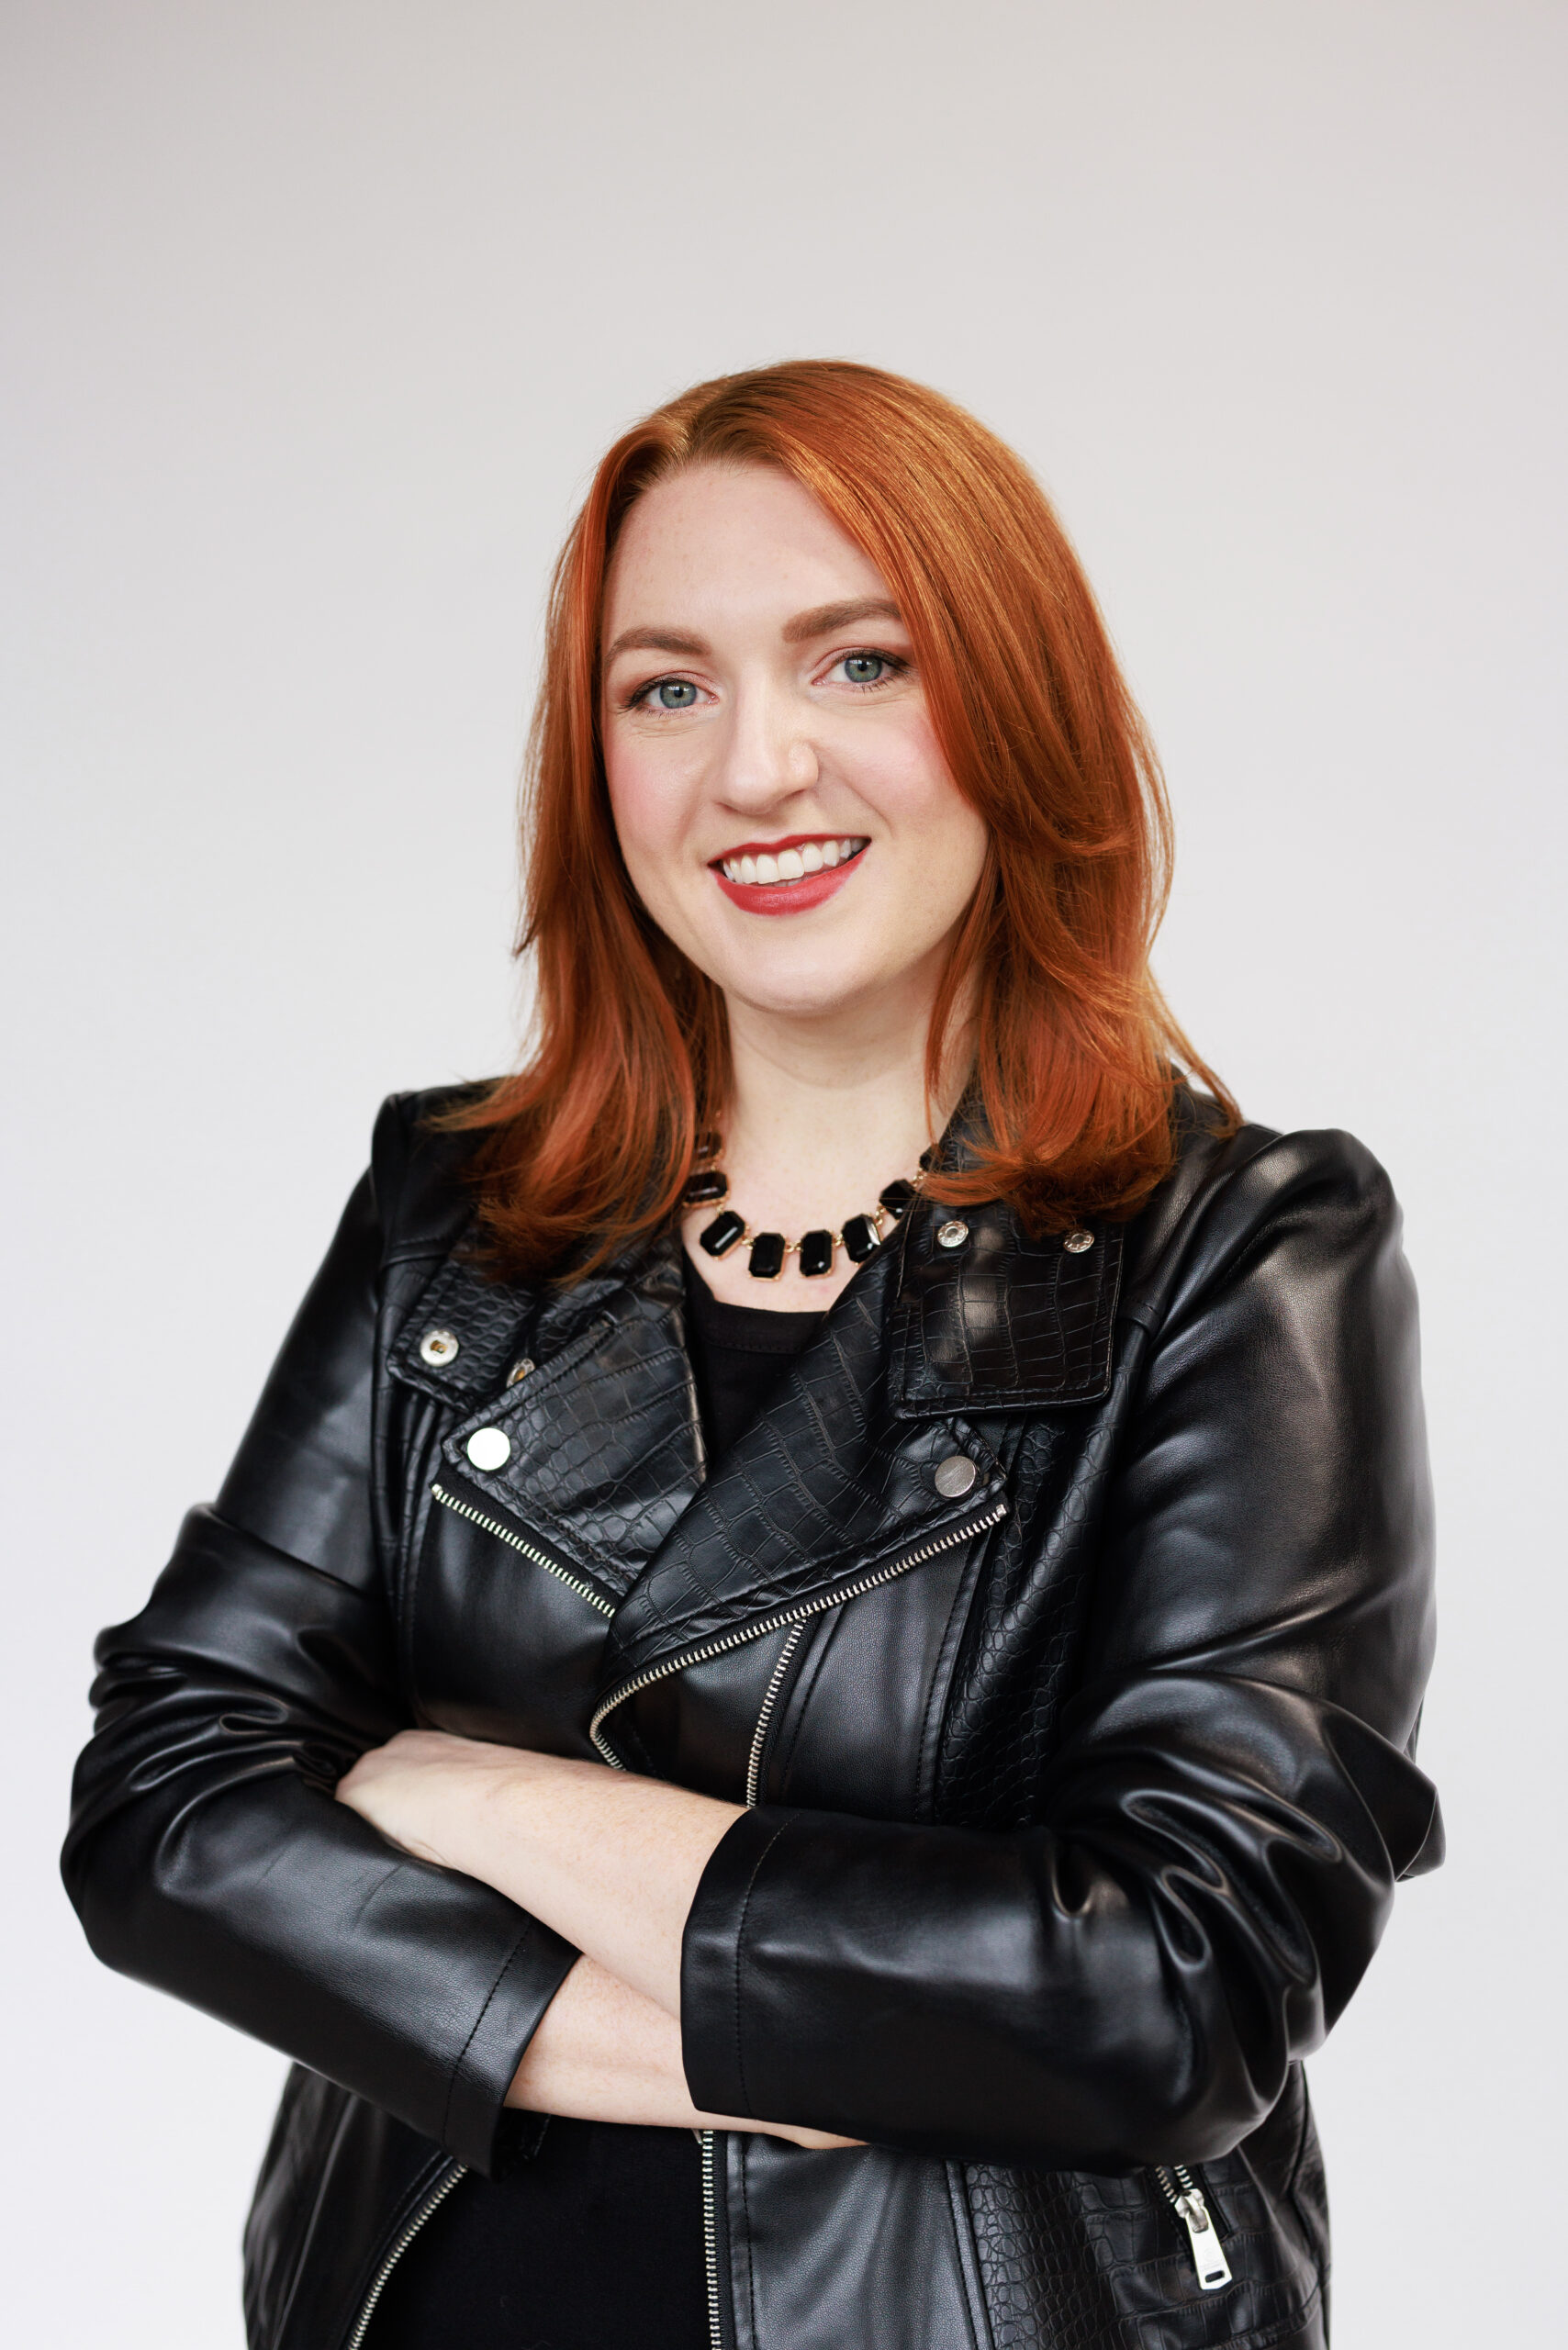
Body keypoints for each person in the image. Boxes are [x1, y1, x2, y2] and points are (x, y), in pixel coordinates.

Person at [62, 360, 1440, 2350]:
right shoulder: (451, 1209)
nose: (757, 766)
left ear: (1013, 703)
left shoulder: (1239, 1250)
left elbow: (1178, 1985)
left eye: (857, 661)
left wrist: (475, 1798)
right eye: (666, 687)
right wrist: (720, 2043)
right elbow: (166, 1802)